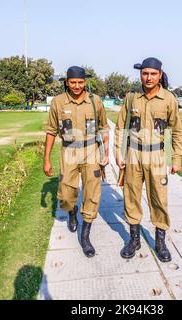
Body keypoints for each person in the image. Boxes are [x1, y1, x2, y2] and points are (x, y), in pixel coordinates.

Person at [114, 57, 182, 263]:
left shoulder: (169, 99)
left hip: (158, 155)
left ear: (160, 75)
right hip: (134, 154)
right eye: (145, 73)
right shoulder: (131, 98)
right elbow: (121, 127)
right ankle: (134, 239)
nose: (149, 77)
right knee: (131, 196)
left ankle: (160, 242)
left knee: (159, 198)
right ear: (140, 74)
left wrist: (176, 157)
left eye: (153, 74)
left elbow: (176, 131)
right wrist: (119, 153)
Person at [43, 66, 110, 258]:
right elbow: (51, 131)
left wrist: (106, 152)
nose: (77, 86)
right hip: (69, 150)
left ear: (85, 82)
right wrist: (46, 159)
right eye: (73, 82)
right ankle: (72, 212)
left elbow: (104, 127)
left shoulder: (95, 101)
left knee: (92, 191)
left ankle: (85, 235)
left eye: (80, 82)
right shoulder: (58, 102)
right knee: (66, 192)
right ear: (66, 82)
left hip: (91, 150)